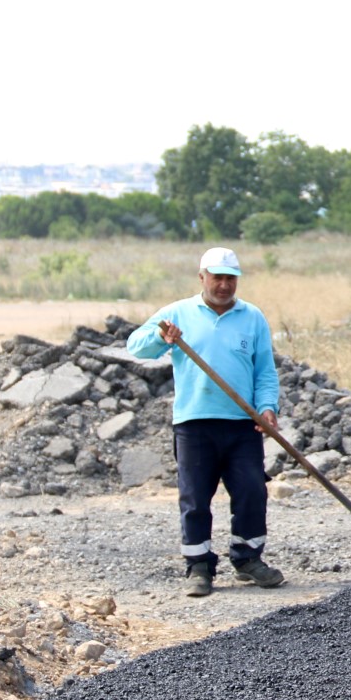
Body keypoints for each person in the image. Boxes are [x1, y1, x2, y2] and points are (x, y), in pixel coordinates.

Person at [127, 247, 284, 598]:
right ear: (202, 278)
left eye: (231, 279)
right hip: (194, 423)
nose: (225, 285)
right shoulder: (177, 314)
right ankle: (198, 566)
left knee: (251, 490)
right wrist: (159, 337)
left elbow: (264, 371)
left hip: (243, 423)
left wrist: (268, 407)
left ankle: (247, 560)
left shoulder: (252, 317)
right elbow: (135, 346)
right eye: (218, 278)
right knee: (195, 497)